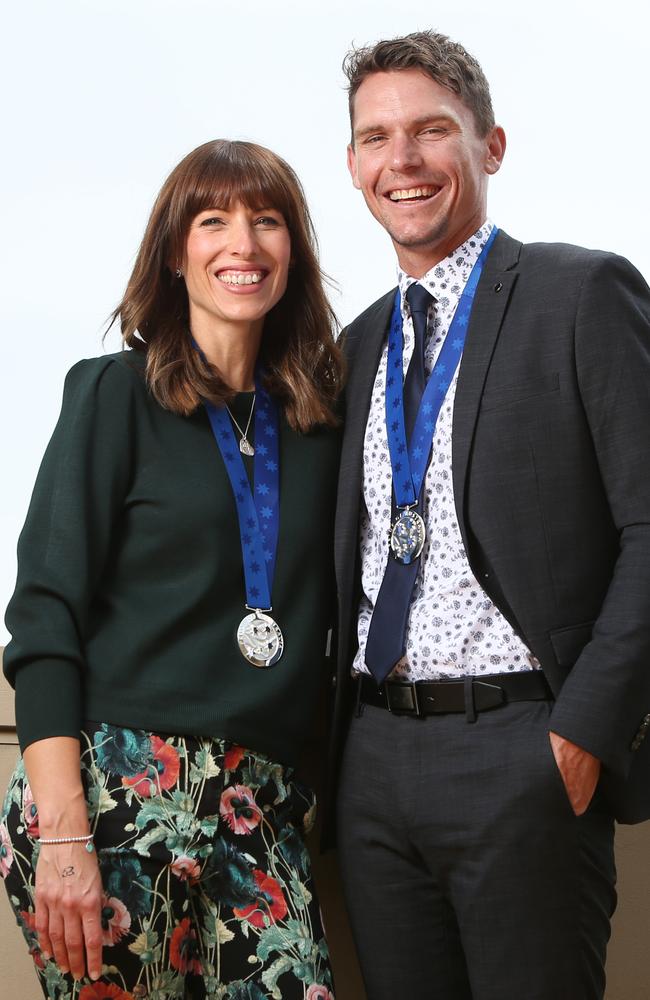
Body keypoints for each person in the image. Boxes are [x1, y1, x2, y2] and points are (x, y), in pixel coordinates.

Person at [327, 29, 650, 1000]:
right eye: (376, 138)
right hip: (371, 762)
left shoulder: (577, 292)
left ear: (489, 146)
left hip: (520, 748)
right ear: (352, 165)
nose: (404, 160)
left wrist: (583, 731)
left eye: (432, 130)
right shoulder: (353, 351)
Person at [1, 138, 342, 1000]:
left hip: (263, 800)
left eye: (268, 221)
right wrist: (62, 831)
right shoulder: (113, 396)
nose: (243, 243)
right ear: (175, 252)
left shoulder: (322, 425)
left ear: (293, 252)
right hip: (113, 791)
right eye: (213, 220)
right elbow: (44, 612)